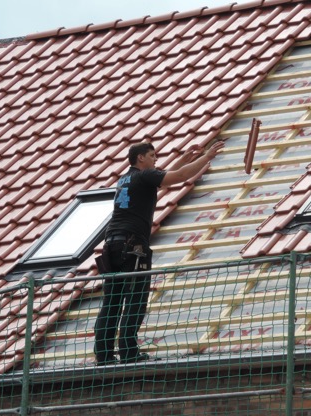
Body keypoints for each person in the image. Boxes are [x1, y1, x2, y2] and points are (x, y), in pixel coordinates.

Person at [94, 140, 225, 365]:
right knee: (135, 299)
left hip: (112, 245)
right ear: (141, 158)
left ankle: (104, 355)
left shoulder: (126, 178)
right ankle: (129, 352)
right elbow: (178, 177)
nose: (155, 158)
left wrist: (185, 157)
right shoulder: (143, 177)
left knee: (112, 301)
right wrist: (207, 157)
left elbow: (162, 174)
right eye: (152, 155)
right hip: (133, 247)